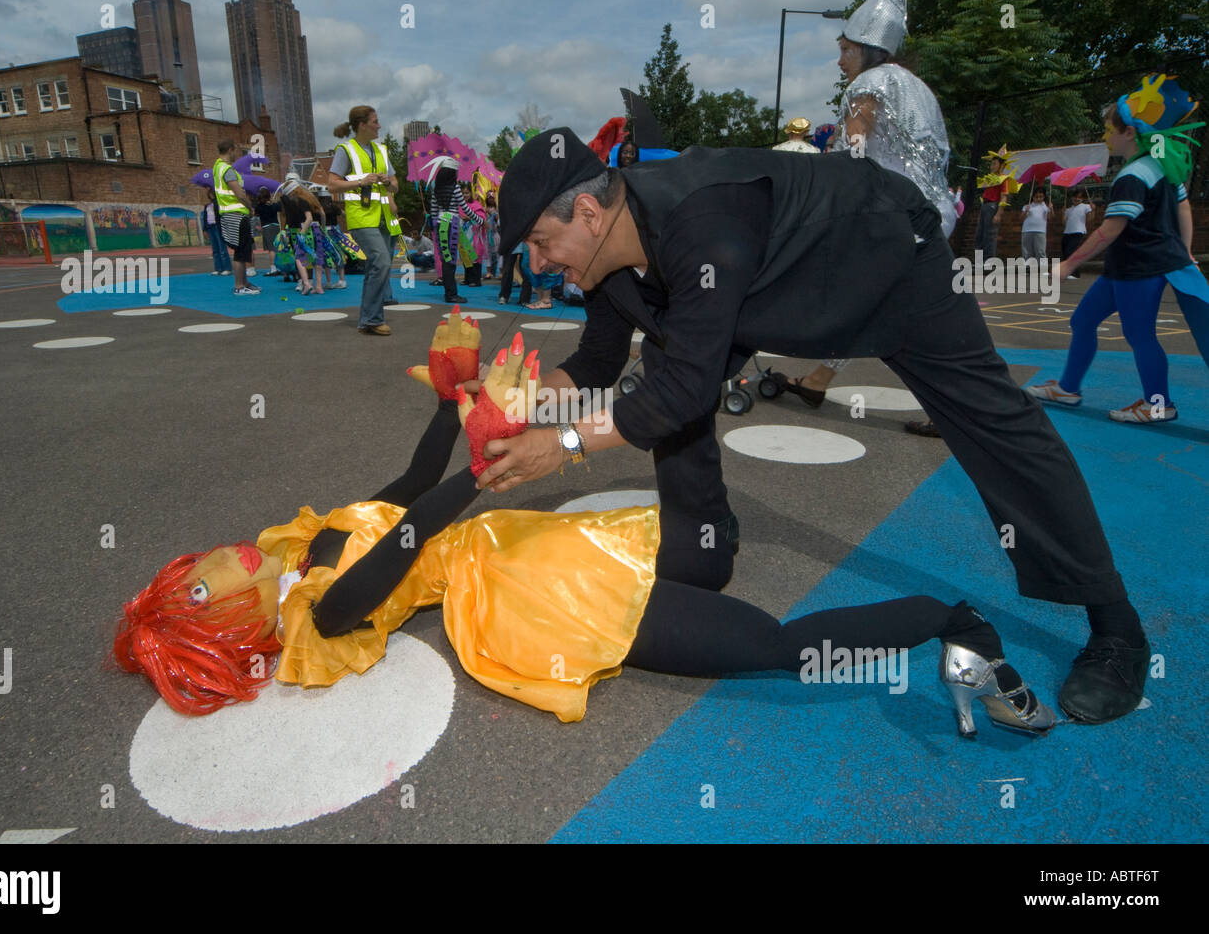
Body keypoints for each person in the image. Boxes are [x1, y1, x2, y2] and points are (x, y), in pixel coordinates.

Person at [490, 124, 1153, 726]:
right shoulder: (606, 263)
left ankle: (1116, 625)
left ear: (587, 211)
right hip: (762, 290)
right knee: (662, 372)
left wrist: (566, 444)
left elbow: (687, 389)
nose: (539, 266)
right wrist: (518, 398)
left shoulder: (702, 216)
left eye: (542, 245)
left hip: (881, 255)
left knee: (997, 424)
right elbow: (595, 366)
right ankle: (704, 544)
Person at [114, 317, 1054, 735]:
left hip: (519, 544)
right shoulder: (316, 618)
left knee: (705, 560)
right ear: (221, 629)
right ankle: (954, 623)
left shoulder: (298, 537)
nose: (208, 565)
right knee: (773, 648)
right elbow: (403, 546)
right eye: (198, 592)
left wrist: (450, 402)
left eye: (188, 570)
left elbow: (404, 488)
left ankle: (688, 376)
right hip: (521, 591)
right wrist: (482, 471)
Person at [771, 0, 958, 438]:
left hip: (895, 216)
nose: (840, 60)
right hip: (932, 213)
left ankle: (957, 407)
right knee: (875, 302)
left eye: (845, 49)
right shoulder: (919, 89)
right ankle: (819, 379)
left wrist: (825, 181)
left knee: (889, 309)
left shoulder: (870, 83)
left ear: (866, 48)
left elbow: (854, 145)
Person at [1026, 74, 1208, 424]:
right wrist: (1185, 252)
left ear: (1130, 133)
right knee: (1083, 321)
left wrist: (1066, 265)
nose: (1105, 137)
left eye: (1110, 131)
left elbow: (1110, 230)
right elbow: (1183, 209)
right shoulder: (1163, 168)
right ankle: (1068, 387)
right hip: (1129, 268)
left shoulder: (1133, 176)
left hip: (1141, 268)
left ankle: (1158, 404)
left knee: (1139, 335)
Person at [328, 106, 399, 336]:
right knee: (381, 261)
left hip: (383, 217)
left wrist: (388, 182)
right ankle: (372, 318)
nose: (379, 125)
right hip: (361, 217)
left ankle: (367, 319)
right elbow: (332, 185)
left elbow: (396, 185)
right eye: (375, 121)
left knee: (377, 266)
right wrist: (361, 181)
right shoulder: (345, 150)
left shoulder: (381, 151)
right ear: (362, 125)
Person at [428, 159, 481, 304]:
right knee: (451, 260)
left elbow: (433, 211)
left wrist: (434, 226)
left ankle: (449, 292)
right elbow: (464, 207)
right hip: (452, 223)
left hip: (440, 223)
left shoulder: (436, 188)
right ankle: (451, 294)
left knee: (446, 259)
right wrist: (480, 220)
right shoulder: (455, 187)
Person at [212, 139, 259, 296]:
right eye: (235, 151)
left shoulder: (217, 167)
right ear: (231, 149)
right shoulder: (228, 170)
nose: (236, 155)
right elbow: (239, 193)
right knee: (241, 251)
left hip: (227, 213)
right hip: (237, 214)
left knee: (243, 250)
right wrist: (250, 206)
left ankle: (244, 283)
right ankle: (239, 285)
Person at [976, 145, 1019, 260]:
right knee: (980, 234)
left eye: (995, 164)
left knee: (989, 235)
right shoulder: (990, 179)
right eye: (992, 164)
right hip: (985, 206)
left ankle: (988, 260)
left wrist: (999, 213)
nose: (992, 166)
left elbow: (1004, 197)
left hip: (992, 206)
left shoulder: (1004, 179)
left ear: (1002, 165)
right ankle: (978, 261)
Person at [1061, 189, 1093, 278]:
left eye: (1080, 197)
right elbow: (1064, 222)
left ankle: (1074, 273)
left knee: (1071, 252)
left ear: (1083, 199)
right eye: (1075, 197)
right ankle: (1068, 272)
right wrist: (1063, 213)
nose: (1077, 199)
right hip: (1067, 232)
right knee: (1065, 252)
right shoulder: (1068, 209)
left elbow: (1090, 219)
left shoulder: (1086, 206)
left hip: (1078, 231)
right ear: (1072, 198)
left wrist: (1093, 210)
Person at [1021, 187, 1052, 269]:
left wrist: (1051, 209)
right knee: (1027, 252)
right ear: (1032, 196)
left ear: (1044, 197)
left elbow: (1050, 218)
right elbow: (1021, 218)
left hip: (1040, 231)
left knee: (1040, 251)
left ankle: (1043, 269)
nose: (1038, 199)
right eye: (1036, 197)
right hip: (1027, 231)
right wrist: (1025, 211)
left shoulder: (1046, 206)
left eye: (1041, 197)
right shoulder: (1027, 206)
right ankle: (1028, 269)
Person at [254, 188, 282, 277]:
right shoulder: (274, 205)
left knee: (271, 249)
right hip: (276, 226)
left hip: (267, 227)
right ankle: (280, 267)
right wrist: (273, 202)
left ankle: (273, 268)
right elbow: (279, 207)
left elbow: (255, 214)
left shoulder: (259, 206)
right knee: (277, 247)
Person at [203, 188, 231, 276]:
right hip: (210, 227)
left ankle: (227, 268)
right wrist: (204, 229)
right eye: (209, 193)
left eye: (212, 193)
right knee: (215, 249)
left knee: (222, 248)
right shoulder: (207, 205)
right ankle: (218, 268)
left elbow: (221, 215)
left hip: (218, 227)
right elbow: (205, 218)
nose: (210, 195)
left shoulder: (218, 203)